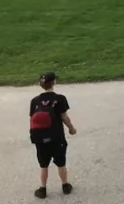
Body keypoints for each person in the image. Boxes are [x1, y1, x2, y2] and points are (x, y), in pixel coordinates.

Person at [29, 71, 76, 199]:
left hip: (40, 138)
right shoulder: (60, 99)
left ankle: (42, 189)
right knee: (61, 163)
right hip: (56, 137)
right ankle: (65, 185)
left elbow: (32, 119)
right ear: (54, 82)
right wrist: (71, 128)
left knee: (43, 165)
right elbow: (64, 117)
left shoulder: (34, 101)